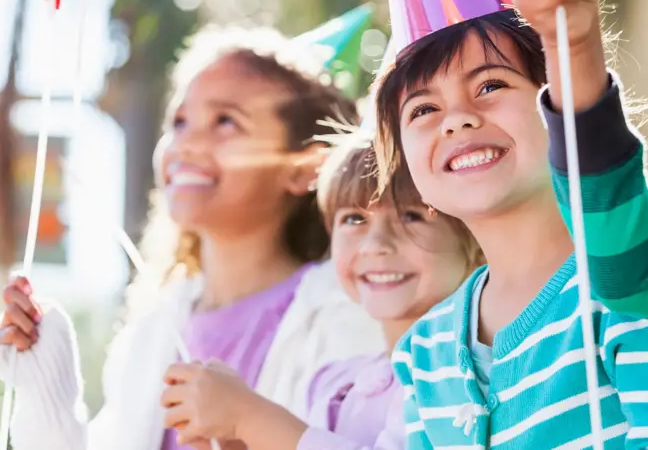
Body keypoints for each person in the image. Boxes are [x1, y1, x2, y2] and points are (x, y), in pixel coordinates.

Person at [372, 0, 648, 450]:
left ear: (555, 96)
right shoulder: (423, 354)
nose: (456, 119)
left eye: (490, 84)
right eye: (423, 110)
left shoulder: (633, 291)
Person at [0, 26, 384, 450]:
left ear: (306, 168)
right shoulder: (152, 327)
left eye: (226, 121)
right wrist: (46, 387)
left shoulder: (349, 312)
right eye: (179, 121)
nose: (187, 141)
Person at [158, 134, 483, 450]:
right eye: (354, 219)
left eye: (411, 216)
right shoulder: (334, 383)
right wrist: (236, 440)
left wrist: (250, 418)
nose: (375, 245)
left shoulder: (462, 369)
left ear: (475, 242)